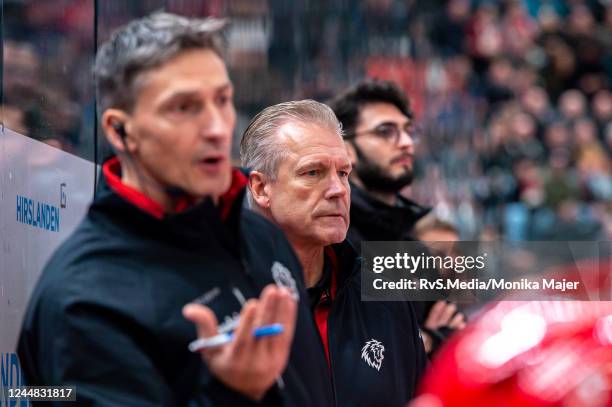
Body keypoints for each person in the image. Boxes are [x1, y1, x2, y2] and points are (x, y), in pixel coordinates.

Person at [17, 13, 333, 406]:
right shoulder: (82, 300)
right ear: (119, 131)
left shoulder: (260, 236)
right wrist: (233, 394)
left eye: (222, 100)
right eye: (184, 108)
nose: (217, 128)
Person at [240, 99, 427, 406]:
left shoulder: (387, 297)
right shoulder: (225, 298)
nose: (338, 189)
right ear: (261, 188)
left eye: (343, 173)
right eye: (313, 172)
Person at [328, 78, 465, 356]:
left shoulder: (414, 246)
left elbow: (453, 326)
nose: (406, 143)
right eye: (386, 131)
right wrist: (425, 341)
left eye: (408, 131)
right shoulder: (332, 239)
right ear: (347, 149)